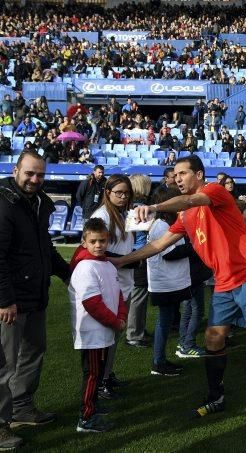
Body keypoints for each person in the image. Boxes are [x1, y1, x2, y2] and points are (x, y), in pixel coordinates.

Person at [115, 155, 246, 425]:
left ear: (199, 175)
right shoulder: (185, 215)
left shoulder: (214, 191)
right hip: (224, 281)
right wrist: (119, 261)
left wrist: (153, 207)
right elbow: (158, 245)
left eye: (183, 173)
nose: (178, 178)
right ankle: (216, 396)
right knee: (213, 338)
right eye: (175, 174)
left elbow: (190, 200)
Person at [0, 152, 71, 448]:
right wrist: (5, 300)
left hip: (35, 294)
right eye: (29, 173)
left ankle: (22, 408)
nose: (35, 180)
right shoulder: (4, 204)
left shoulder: (39, 203)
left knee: (33, 351)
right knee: (3, 364)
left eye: (40, 175)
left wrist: (68, 273)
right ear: (16, 170)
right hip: (10, 300)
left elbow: (45, 248)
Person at [68, 218, 127, 433]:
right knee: (92, 374)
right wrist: (116, 321)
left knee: (98, 371)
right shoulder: (85, 267)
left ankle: (92, 406)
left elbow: (118, 294)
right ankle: (86, 417)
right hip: (92, 331)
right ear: (84, 242)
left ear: (108, 240)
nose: (98, 245)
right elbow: (92, 304)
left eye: (102, 240)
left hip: (105, 329)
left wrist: (121, 315)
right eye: (93, 241)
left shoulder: (106, 264)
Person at [90, 174, 135, 399]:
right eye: (119, 192)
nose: (123, 196)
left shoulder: (124, 213)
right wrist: (130, 260)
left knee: (114, 335)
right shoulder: (103, 216)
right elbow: (96, 250)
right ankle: (100, 381)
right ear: (107, 192)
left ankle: (106, 374)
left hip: (122, 280)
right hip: (109, 282)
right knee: (106, 335)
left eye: (126, 193)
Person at [146, 187, 193, 377]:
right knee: (163, 322)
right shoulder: (160, 225)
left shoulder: (167, 223)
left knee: (166, 321)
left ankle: (161, 360)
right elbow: (168, 253)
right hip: (164, 282)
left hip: (171, 280)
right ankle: (158, 362)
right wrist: (194, 247)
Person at [126, 174, 152, 349]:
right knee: (138, 295)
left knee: (140, 295)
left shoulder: (132, 206)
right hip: (139, 254)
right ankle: (134, 334)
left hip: (137, 253)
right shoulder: (138, 209)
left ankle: (138, 329)